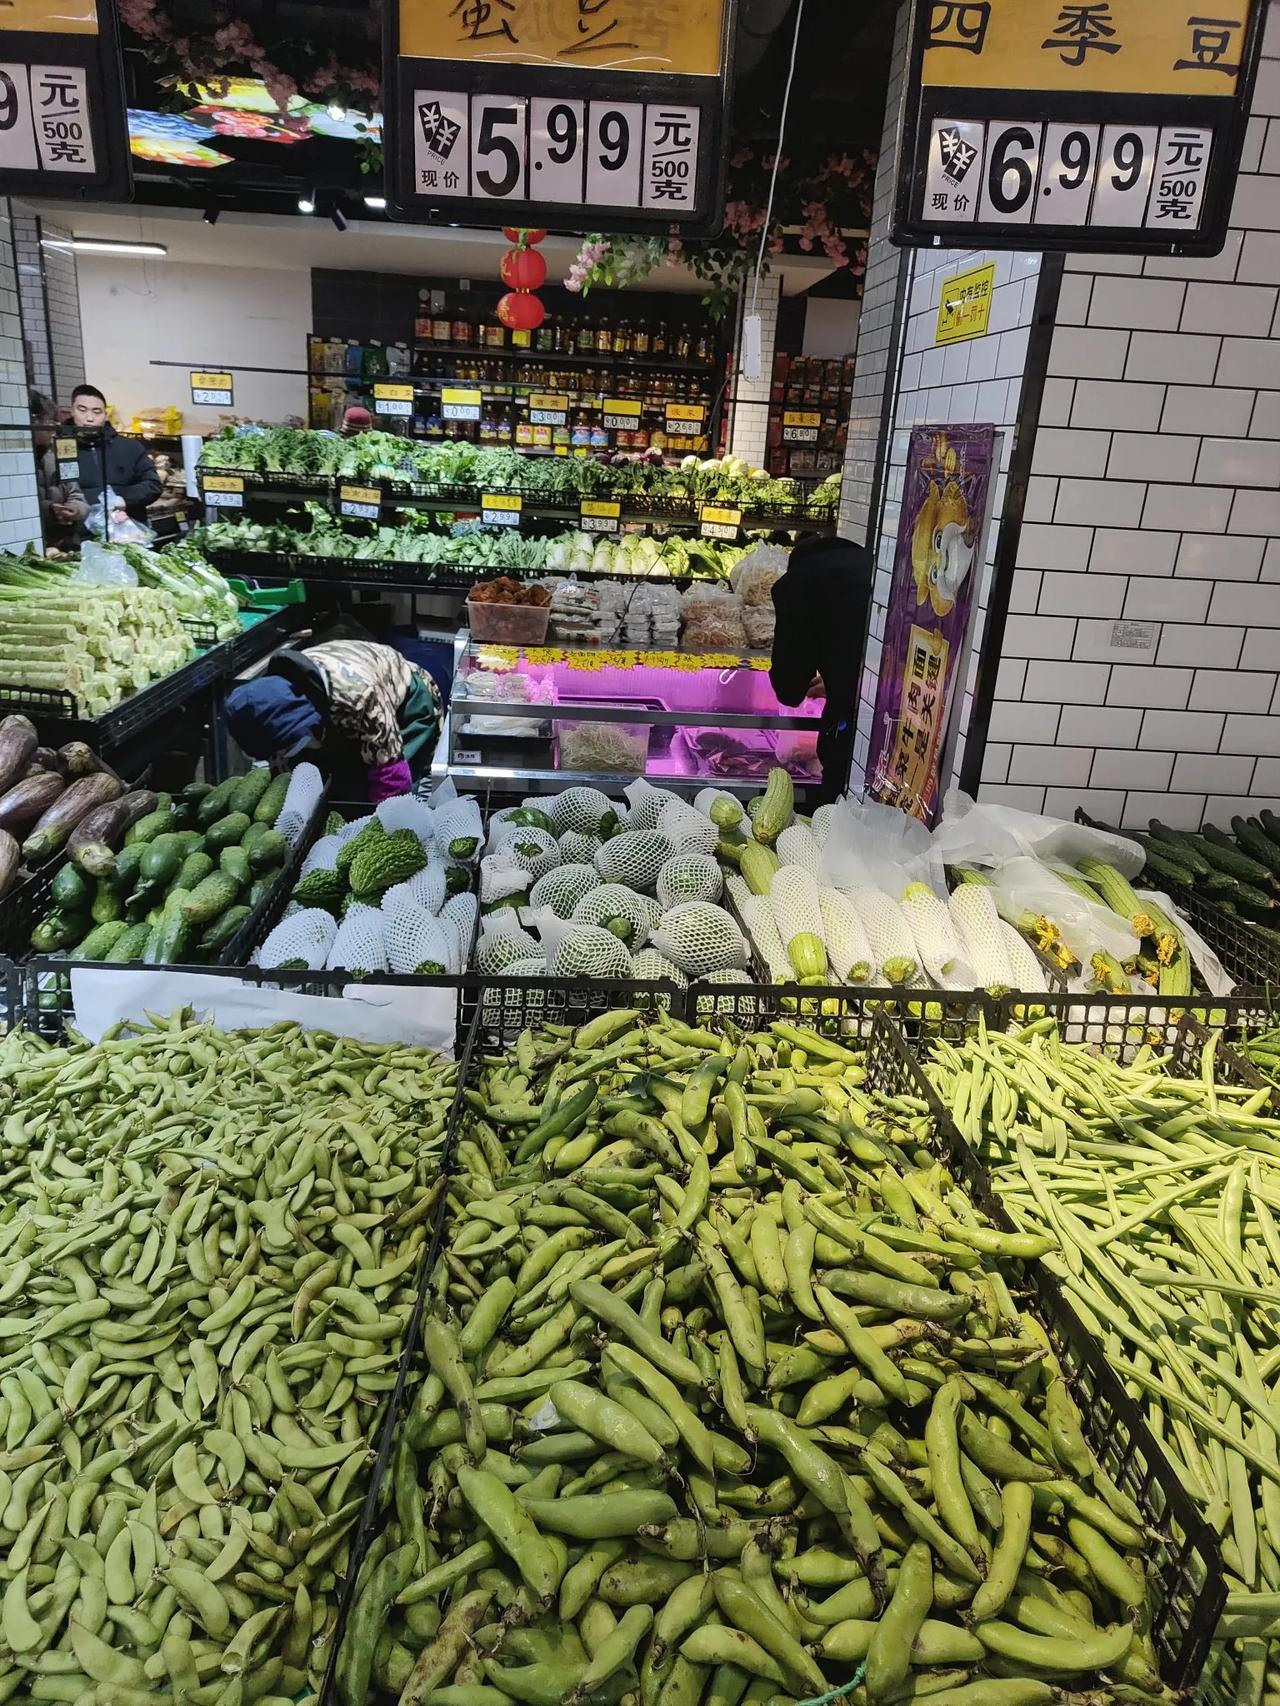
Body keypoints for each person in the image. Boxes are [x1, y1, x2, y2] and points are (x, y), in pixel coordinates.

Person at [224, 639, 443, 802]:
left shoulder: (359, 697)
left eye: (286, 748)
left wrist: (376, 827)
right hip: (343, 705)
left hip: (405, 700)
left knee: (380, 789)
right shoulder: (279, 696)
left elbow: (391, 775)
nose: (279, 757)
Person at [768, 532, 874, 805]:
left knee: (837, 807)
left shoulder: (798, 584)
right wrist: (840, 676)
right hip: (902, 719)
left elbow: (789, 688)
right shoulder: (874, 570)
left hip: (852, 734)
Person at [68, 383, 163, 524]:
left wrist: (123, 498)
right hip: (79, 536)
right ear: (72, 411)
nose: (89, 418)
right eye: (82, 410)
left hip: (128, 535)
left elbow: (153, 484)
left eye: (97, 412)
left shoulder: (130, 447)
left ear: (106, 415)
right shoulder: (60, 451)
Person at [31, 391, 88, 551]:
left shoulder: (56, 456)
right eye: (49, 419)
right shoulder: (17, 463)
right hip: (37, 548)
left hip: (68, 543)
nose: (55, 425)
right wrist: (51, 510)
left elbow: (77, 495)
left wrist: (75, 510)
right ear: (33, 421)